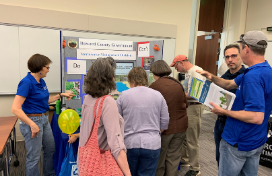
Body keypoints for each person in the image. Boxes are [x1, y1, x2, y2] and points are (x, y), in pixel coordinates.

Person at [197, 31, 272, 176]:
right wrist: (211, 77)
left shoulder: (253, 77)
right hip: (256, 140)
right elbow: (229, 84)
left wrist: (223, 112)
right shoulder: (264, 71)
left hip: (238, 141)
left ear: (246, 49)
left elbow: (256, 116)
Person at [11, 54, 75, 176]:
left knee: (50, 149)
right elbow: (15, 108)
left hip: (44, 119)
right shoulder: (26, 82)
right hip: (32, 121)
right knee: (33, 157)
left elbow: (43, 100)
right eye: (47, 67)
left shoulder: (41, 81)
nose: (48, 70)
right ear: (39, 67)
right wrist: (32, 124)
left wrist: (61, 95)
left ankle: (49, 174)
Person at [78, 57, 131, 176]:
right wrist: (127, 173)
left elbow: (84, 135)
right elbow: (116, 144)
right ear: (109, 78)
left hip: (87, 164)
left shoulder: (87, 99)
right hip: (103, 164)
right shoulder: (107, 101)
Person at [116, 67, 169, 176]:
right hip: (152, 144)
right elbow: (165, 122)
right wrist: (154, 133)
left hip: (129, 144)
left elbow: (116, 121)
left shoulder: (123, 96)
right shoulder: (158, 95)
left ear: (131, 81)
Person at [148, 60, 188, 176]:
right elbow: (185, 104)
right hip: (181, 127)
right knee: (174, 157)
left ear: (155, 72)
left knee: (160, 157)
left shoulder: (154, 87)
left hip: (164, 129)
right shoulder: (177, 83)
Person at [170, 55, 205, 176]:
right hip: (188, 106)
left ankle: (195, 168)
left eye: (176, 66)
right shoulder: (189, 73)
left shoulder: (195, 72)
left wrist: (176, 94)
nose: (177, 70)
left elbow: (195, 94)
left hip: (194, 106)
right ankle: (184, 160)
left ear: (181, 63)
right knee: (184, 136)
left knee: (192, 139)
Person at [214, 44, 245, 167]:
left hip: (237, 125)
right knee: (220, 158)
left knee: (233, 164)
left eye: (233, 56)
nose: (230, 60)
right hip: (220, 123)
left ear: (241, 57)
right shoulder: (223, 77)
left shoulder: (246, 77)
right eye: (227, 57)